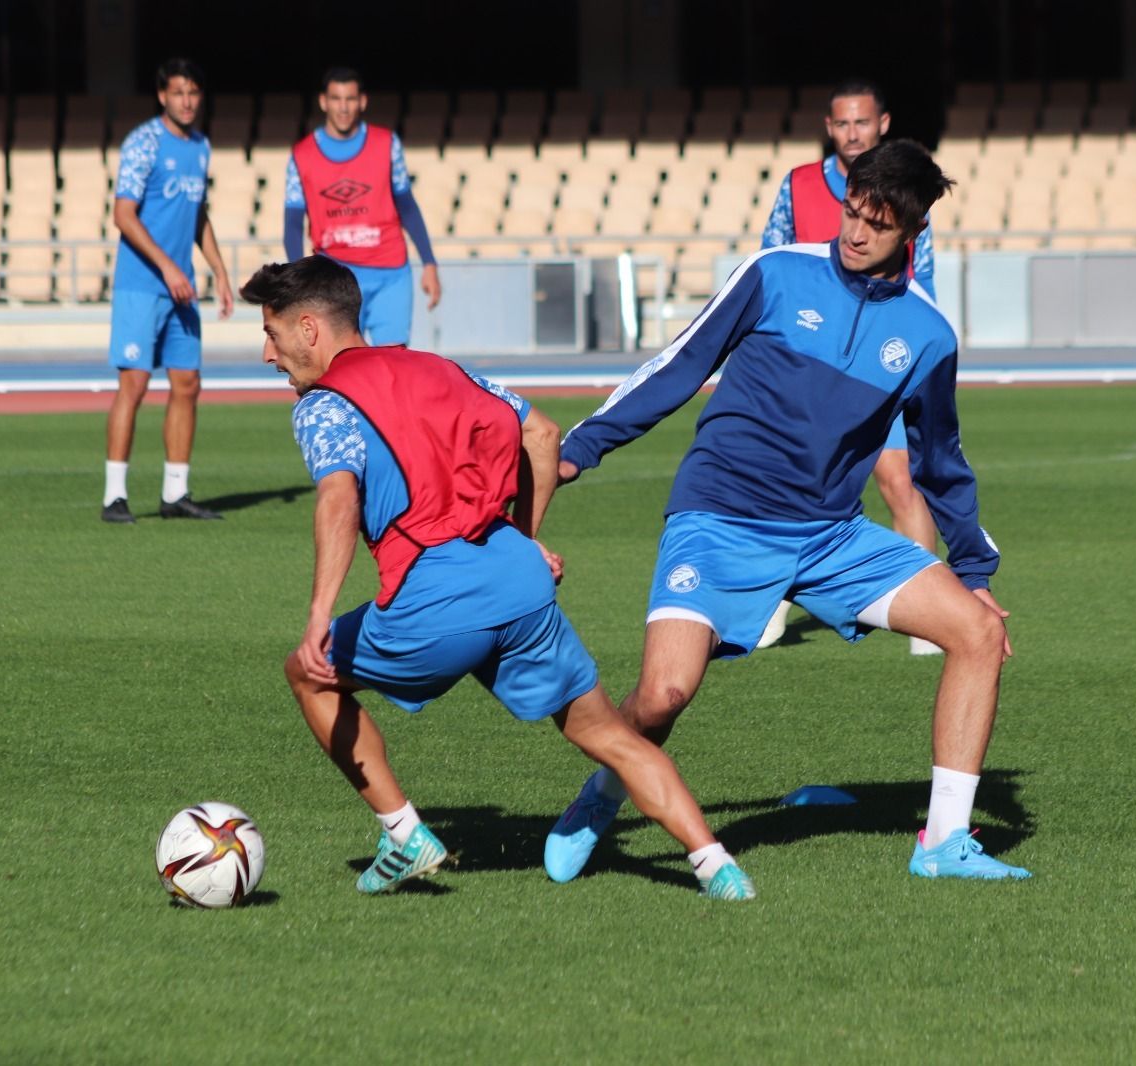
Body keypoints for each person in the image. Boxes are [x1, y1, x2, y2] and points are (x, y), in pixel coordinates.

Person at [545, 142, 1030, 884]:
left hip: (829, 536)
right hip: (720, 518)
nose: (855, 232)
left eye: (878, 223)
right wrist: (583, 446)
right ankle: (604, 790)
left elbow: (941, 461)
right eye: (851, 211)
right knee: (663, 695)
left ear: (913, 233)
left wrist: (974, 568)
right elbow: (679, 364)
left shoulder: (929, 336)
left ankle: (943, 842)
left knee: (978, 632)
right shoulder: (775, 273)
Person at [238, 255, 754, 900]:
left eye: (272, 332)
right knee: (608, 737)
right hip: (516, 582)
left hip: (435, 600)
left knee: (307, 673)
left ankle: (403, 833)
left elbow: (338, 501)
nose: (268, 352)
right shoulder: (441, 366)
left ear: (309, 328)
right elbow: (540, 433)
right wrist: (524, 541)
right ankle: (717, 867)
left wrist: (320, 613)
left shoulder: (324, 405)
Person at [759, 80, 938, 652]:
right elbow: (771, 259)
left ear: (882, 124)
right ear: (828, 127)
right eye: (842, 124)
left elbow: (924, 278)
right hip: (808, 365)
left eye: (862, 122)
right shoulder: (799, 185)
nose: (853, 133)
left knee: (899, 481)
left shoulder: (907, 189)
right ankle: (772, 608)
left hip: (878, 362)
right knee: (795, 482)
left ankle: (931, 620)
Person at [102, 57, 231, 524]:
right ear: (163, 96)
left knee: (188, 385)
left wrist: (217, 267)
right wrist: (168, 267)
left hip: (182, 289)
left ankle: (175, 492)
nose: (188, 101)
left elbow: (197, 214)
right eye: (179, 93)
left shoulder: (200, 147)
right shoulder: (143, 143)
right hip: (143, 286)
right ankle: (114, 495)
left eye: (194, 93)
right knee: (133, 386)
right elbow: (123, 214)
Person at [283, 66, 441, 346]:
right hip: (335, 279)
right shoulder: (302, 154)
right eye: (336, 99)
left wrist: (428, 262)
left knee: (391, 368)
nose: (343, 108)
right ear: (323, 102)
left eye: (350, 99)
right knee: (340, 370)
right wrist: (299, 277)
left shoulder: (387, 144)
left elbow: (407, 206)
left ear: (362, 101)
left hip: (390, 274)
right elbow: (293, 223)